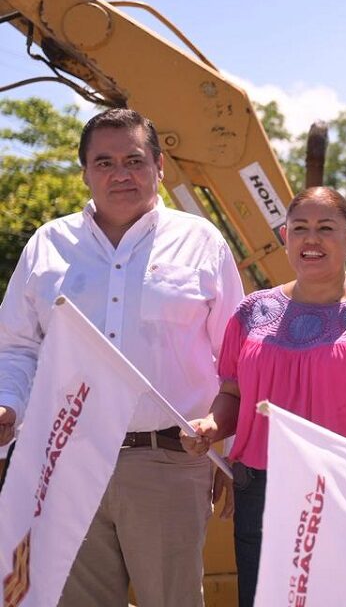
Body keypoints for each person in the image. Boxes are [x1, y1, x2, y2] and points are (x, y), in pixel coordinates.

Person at [0, 108, 244, 606]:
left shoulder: (201, 244)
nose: (121, 174)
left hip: (168, 463)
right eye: (104, 162)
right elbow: (17, 347)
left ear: (159, 166)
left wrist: (230, 451)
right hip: (65, 460)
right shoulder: (48, 245)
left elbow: (238, 360)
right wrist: (7, 403)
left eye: (134, 160)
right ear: (85, 171)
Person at [181, 187, 346, 606]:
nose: (311, 239)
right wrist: (211, 425)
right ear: (284, 236)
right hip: (262, 497)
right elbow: (233, 395)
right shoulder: (251, 312)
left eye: (326, 228)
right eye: (300, 229)